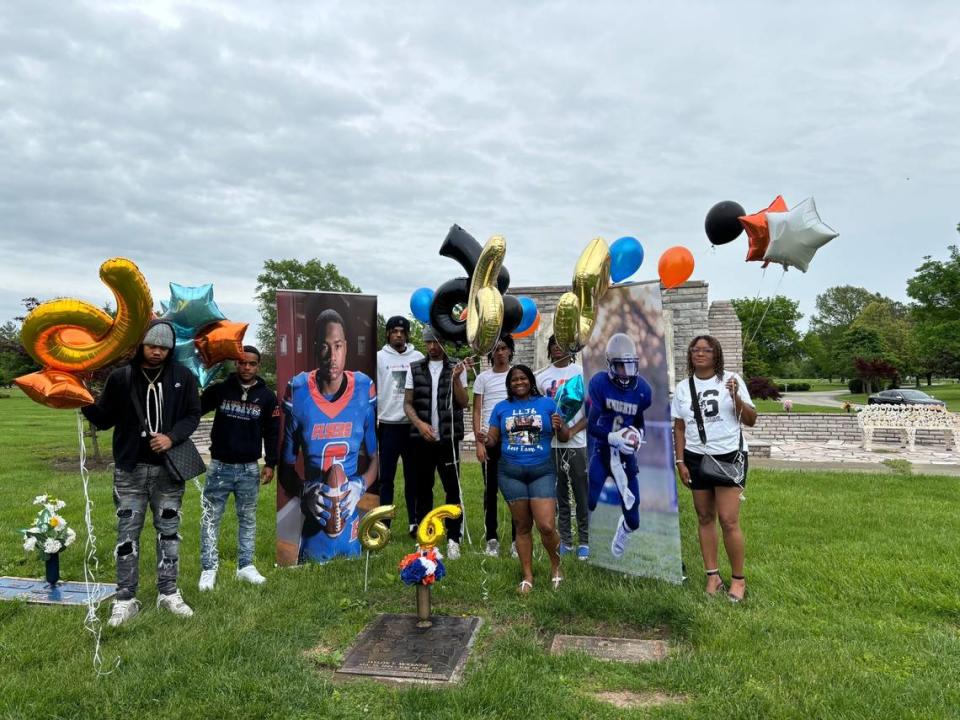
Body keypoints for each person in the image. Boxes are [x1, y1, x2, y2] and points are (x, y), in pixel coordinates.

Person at [81, 319, 200, 626]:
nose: (157, 352)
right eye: (152, 345)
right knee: (126, 536)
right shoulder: (122, 378)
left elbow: (192, 414)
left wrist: (171, 437)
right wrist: (81, 398)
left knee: (170, 533)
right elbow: (105, 419)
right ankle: (124, 598)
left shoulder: (183, 376)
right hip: (130, 469)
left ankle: (169, 592)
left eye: (163, 347)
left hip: (168, 471)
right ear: (140, 345)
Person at [279, 309, 379, 564]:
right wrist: (305, 491)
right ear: (315, 349)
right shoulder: (298, 391)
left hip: (350, 517)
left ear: (346, 347)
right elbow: (285, 467)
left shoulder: (363, 389)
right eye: (325, 347)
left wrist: (360, 486)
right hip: (315, 522)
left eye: (337, 346)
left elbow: (376, 457)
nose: (332, 357)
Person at [672, 334, 756, 602]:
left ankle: (738, 580)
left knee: (729, 520)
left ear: (716, 354)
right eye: (695, 350)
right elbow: (679, 427)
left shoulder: (731, 380)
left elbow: (751, 420)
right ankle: (713, 576)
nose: (700, 354)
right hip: (696, 457)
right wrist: (680, 461)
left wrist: (736, 398)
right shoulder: (684, 387)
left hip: (729, 455)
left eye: (706, 350)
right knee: (704, 517)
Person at [197, 345, 279, 591]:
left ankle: (246, 566)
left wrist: (271, 463)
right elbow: (196, 408)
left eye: (252, 363)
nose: (247, 367)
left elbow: (272, 432)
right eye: (242, 363)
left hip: (249, 469)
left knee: (248, 518)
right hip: (220, 467)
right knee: (210, 518)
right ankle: (209, 568)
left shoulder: (266, 396)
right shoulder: (221, 390)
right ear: (236, 364)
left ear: (258, 366)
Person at [485, 364, 569, 593]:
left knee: (546, 525)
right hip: (511, 473)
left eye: (523, 378)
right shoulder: (501, 408)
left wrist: (559, 426)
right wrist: (486, 439)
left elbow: (565, 436)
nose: (519, 382)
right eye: (514, 380)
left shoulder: (547, 404)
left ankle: (556, 568)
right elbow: (493, 438)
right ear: (509, 385)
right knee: (522, 526)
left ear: (531, 381)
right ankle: (528, 576)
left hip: (541, 470)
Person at [403, 325, 471, 559]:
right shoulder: (415, 368)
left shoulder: (456, 367)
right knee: (423, 490)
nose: (433, 347)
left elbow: (463, 403)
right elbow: (408, 403)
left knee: (452, 490)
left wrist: (456, 380)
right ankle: (426, 538)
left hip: (448, 440)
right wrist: (420, 426)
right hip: (422, 440)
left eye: (437, 342)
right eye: (429, 342)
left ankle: (454, 538)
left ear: (444, 343)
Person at [586, 333, 653, 559]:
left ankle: (622, 529)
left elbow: (640, 422)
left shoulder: (642, 390)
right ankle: (579, 541)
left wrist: (637, 434)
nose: (625, 372)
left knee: (633, 520)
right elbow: (592, 426)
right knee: (589, 501)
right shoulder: (599, 384)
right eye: (620, 367)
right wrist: (612, 437)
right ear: (610, 365)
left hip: (626, 458)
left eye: (629, 366)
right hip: (603, 452)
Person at [536, 334, 589, 560]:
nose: (557, 348)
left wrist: (571, 431)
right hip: (552, 445)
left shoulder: (581, 373)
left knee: (582, 493)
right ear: (548, 349)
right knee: (560, 495)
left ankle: (585, 541)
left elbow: (591, 410)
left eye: (561, 344)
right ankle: (565, 540)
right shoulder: (542, 377)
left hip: (578, 442)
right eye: (553, 345)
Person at [375, 316, 424, 536]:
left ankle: (414, 522)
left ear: (407, 334)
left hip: (411, 425)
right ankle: (384, 522)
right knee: (386, 478)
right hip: (388, 424)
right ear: (387, 333)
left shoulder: (418, 357)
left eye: (402, 331)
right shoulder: (378, 358)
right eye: (394, 331)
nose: (398, 335)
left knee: (413, 476)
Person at [472, 335, 517, 557]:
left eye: (504, 348)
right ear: (491, 353)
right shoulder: (483, 378)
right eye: (496, 349)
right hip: (490, 439)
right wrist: (479, 443)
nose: (500, 352)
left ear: (510, 351)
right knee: (491, 491)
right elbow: (477, 410)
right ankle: (492, 538)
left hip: (515, 439)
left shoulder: (517, 375)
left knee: (517, 490)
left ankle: (518, 540)